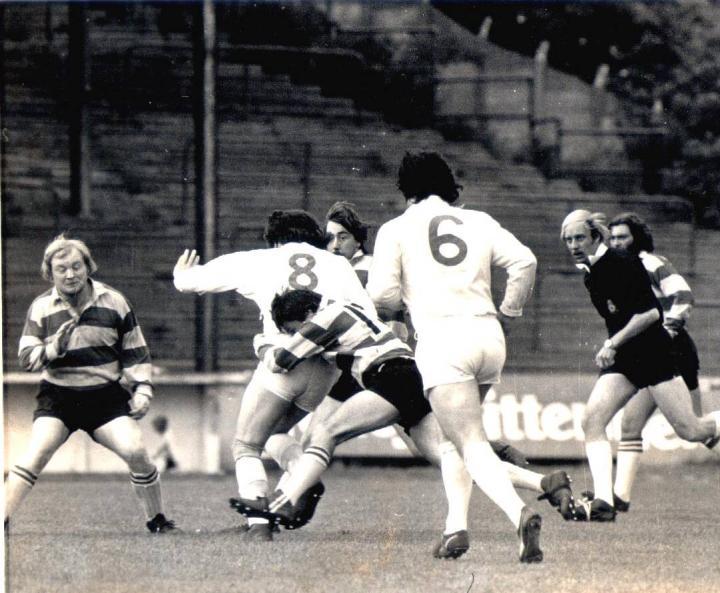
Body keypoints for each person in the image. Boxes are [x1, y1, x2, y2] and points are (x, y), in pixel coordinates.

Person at [229, 290, 574, 550]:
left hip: (390, 377)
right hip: (410, 376)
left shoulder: (324, 317)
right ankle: (545, 483)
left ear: (306, 312)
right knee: (451, 457)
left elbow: (283, 360)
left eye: (296, 327)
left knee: (325, 431)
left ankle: (283, 500)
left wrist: (264, 343)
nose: (298, 332)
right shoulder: (352, 312)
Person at [560, 209, 720, 522]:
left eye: (579, 237)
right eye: (568, 239)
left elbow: (650, 314)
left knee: (691, 429)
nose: (574, 244)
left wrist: (611, 343)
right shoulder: (591, 271)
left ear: (594, 237)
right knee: (593, 420)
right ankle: (605, 503)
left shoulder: (623, 262)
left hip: (654, 353)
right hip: (626, 359)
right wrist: (615, 346)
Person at [366, 152, 545, 563]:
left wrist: (400, 309)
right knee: (454, 440)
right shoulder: (478, 221)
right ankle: (455, 529)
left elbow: (380, 296)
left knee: (469, 442)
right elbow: (525, 261)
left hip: (444, 337)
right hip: (488, 333)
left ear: (405, 188)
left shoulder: (395, 229)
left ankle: (519, 514)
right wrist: (511, 309)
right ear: (449, 184)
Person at [173, 209, 375, 540]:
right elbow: (364, 314)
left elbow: (192, 282)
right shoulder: (338, 264)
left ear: (275, 239)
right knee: (275, 434)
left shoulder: (262, 260)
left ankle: (259, 525)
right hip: (325, 370)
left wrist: (181, 274)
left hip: (284, 361)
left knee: (245, 445)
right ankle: (301, 477)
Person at [6, 234, 176, 533]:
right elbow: (27, 358)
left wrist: (143, 389)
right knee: (38, 451)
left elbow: (136, 351)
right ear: (50, 273)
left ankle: (157, 520)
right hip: (58, 397)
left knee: (135, 450)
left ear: (88, 267)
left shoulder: (115, 301)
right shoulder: (41, 308)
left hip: (104, 398)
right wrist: (52, 350)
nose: (70, 274)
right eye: (62, 269)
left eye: (76, 266)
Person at [607, 212, 720, 512]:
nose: (617, 243)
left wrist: (666, 329)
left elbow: (684, 296)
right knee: (632, 425)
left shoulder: (651, 263)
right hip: (648, 353)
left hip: (672, 350)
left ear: (636, 238)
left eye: (622, 237)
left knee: (692, 427)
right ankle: (619, 500)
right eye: (612, 238)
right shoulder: (620, 270)